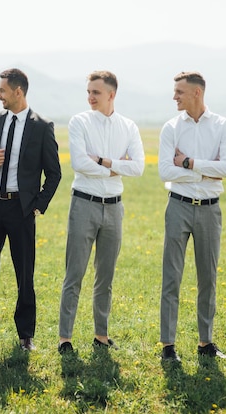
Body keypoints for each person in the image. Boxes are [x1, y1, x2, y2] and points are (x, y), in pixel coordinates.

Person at [0, 68, 61, 351]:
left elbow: (54, 173)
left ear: (18, 91)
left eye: (2, 91)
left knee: (25, 274)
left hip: (21, 210)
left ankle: (26, 337)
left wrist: (38, 206)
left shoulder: (42, 126)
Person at [57, 71, 145, 354]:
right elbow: (80, 163)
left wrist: (104, 161)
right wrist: (118, 166)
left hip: (114, 207)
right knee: (75, 273)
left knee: (105, 275)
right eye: (88, 91)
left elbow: (139, 168)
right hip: (83, 203)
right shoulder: (79, 121)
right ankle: (65, 338)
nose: (90, 97)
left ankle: (101, 335)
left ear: (111, 94)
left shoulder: (129, 127)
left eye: (96, 92)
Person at [158, 71, 226, 362]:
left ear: (197, 93)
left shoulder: (222, 126)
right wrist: (207, 169)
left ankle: (206, 344)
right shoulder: (170, 128)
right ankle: (168, 346)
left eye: (179, 91)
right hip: (177, 206)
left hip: (210, 209)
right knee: (172, 277)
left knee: (208, 277)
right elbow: (166, 171)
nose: (174, 96)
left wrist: (189, 163)